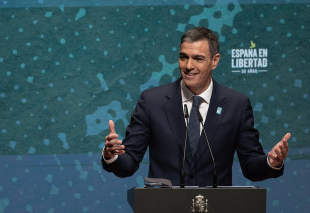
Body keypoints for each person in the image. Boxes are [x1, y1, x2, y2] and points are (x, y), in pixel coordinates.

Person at [102, 27, 291, 187]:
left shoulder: (236, 105)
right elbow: (129, 163)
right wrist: (112, 156)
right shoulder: (152, 101)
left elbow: (251, 166)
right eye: (184, 57)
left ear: (215, 61)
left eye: (198, 59)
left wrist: (271, 162)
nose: (188, 66)